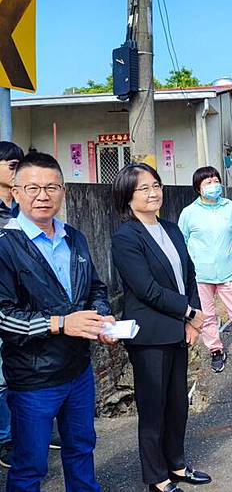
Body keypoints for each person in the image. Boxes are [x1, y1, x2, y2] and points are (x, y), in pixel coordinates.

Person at [0, 152, 116, 491]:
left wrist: (100, 317)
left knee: (82, 449)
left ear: (63, 191)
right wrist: (61, 324)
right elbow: (4, 316)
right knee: (30, 466)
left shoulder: (73, 237)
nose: (43, 195)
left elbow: (95, 287)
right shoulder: (5, 246)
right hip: (32, 379)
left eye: (52, 186)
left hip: (79, 370)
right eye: (33, 187)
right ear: (16, 192)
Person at [111, 164, 211, 492]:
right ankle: (156, 477)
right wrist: (188, 312)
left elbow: (189, 274)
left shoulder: (171, 228)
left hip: (178, 330)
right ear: (127, 196)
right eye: (144, 188)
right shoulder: (126, 236)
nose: (154, 193)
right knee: (154, 409)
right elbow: (146, 289)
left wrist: (192, 316)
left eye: (156, 185)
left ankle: (177, 464)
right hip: (150, 336)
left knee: (178, 405)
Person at [178, 166, 232, 373]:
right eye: (207, 182)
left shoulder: (231, 207)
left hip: (229, 271)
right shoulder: (189, 213)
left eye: (215, 180)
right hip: (201, 275)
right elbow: (181, 242)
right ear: (198, 188)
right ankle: (215, 350)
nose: (213, 185)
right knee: (207, 316)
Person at [0, 141, 24, 469]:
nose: (15, 167)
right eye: (9, 163)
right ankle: (5, 438)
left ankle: (26, 432)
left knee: (23, 368)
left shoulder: (25, 205)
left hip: (28, 301)